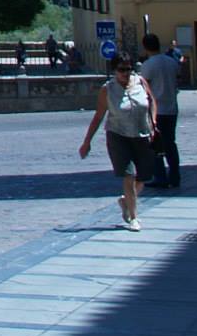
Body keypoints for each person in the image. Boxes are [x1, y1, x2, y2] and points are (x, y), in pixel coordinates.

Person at [78, 54, 157, 230]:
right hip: (118, 136)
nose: (126, 73)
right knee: (129, 175)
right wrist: (87, 142)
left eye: (128, 68)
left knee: (144, 176)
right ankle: (134, 217)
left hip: (142, 134)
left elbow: (152, 102)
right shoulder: (108, 89)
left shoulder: (141, 82)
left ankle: (125, 201)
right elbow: (98, 116)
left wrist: (153, 121)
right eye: (122, 69)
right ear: (114, 70)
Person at [138, 33, 182, 188]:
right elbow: (178, 78)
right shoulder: (171, 62)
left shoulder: (148, 65)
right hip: (172, 107)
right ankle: (175, 176)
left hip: (156, 110)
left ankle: (160, 176)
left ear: (145, 47)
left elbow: (144, 86)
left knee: (155, 145)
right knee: (171, 143)